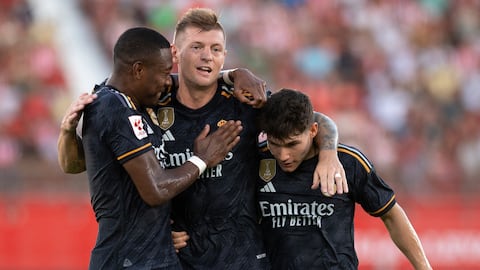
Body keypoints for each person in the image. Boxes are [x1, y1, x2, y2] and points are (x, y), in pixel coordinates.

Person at [57, 8, 347, 269]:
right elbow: (100, 162)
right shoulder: (149, 101)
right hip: (175, 258)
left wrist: (329, 152)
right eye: (197, 47)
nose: (208, 56)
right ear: (175, 53)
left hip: (240, 259)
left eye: (216, 49)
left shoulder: (245, 101)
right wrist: (154, 234)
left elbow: (312, 121)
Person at [76, 26, 243, 269]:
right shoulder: (114, 108)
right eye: (164, 73)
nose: (167, 81)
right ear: (138, 70)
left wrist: (231, 75)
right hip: (127, 260)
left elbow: (183, 82)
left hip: (152, 257)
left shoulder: (128, 100)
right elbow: (155, 189)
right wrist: (202, 159)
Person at [255, 88, 432, 269]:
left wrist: (424, 267)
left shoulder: (347, 162)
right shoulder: (256, 159)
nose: (283, 155)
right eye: (275, 144)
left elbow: (391, 215)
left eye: (292, 144)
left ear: (313, 130)